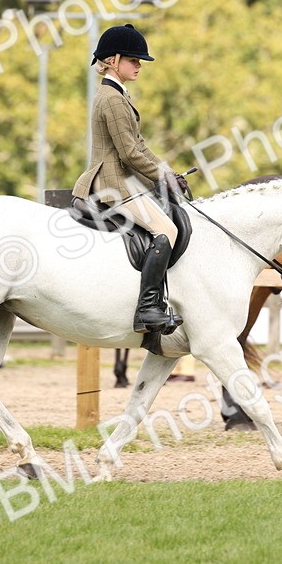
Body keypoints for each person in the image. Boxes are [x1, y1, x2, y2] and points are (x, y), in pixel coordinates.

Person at [72, 23, 187, 335]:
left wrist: (167, 174)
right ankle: (148, 308)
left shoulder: (118, 95)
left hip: (123, 180)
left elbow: (140, 146)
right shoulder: (111, 98)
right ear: (113, 60)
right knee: (166, 229)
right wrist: (164, 177)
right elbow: (128, 154)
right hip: (112, 184)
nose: (138, 65)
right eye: (133, 60)